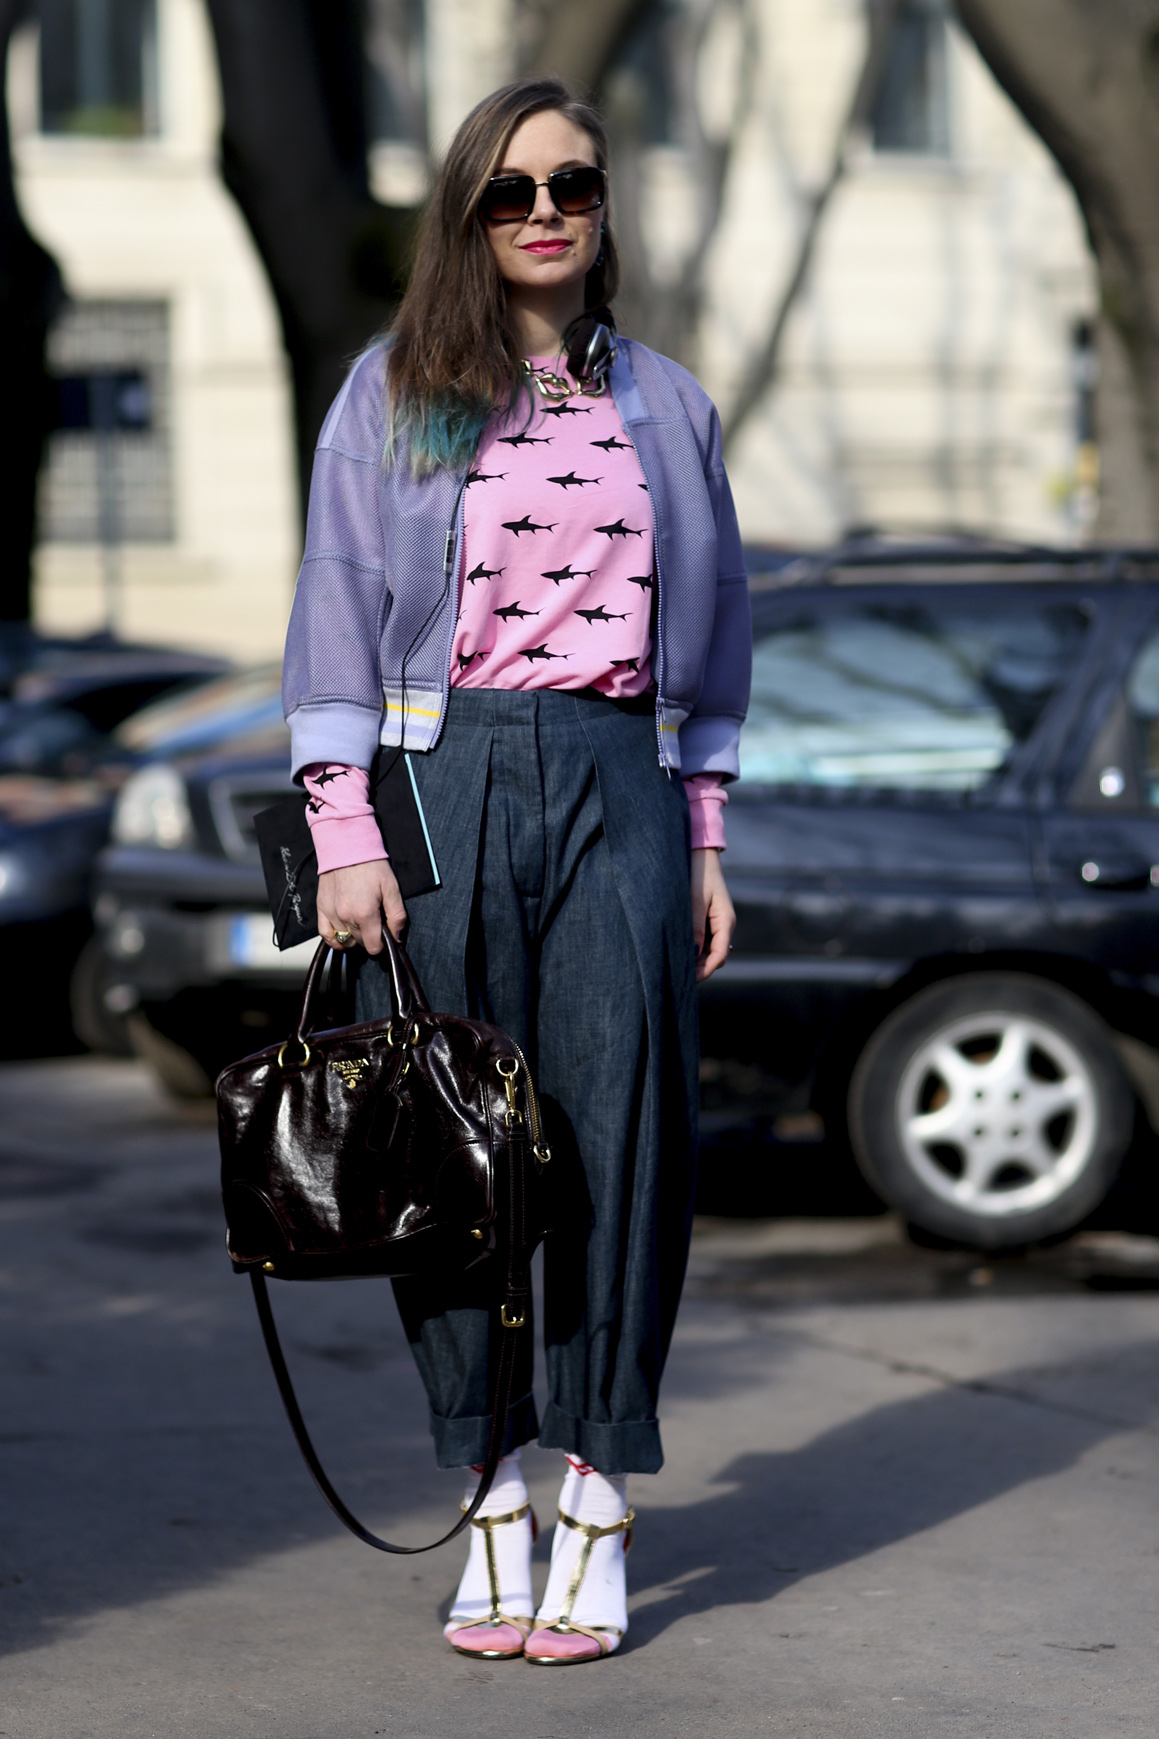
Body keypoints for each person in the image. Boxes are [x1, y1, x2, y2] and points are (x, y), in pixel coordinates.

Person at [281, 76, 751, 1665]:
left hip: (623, 779)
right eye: (511, 190)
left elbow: (718, 646)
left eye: (574, 187)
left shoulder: (671, 408)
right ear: (469, 215)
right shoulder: (399, 392)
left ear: (604, 212)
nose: (546, 212)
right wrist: (343, 830)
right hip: (443, 777)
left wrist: (705, 835)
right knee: (450, 1158)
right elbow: (336, 611)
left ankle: (598, 1497)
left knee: (624, 1142)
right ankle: (490, 1493)